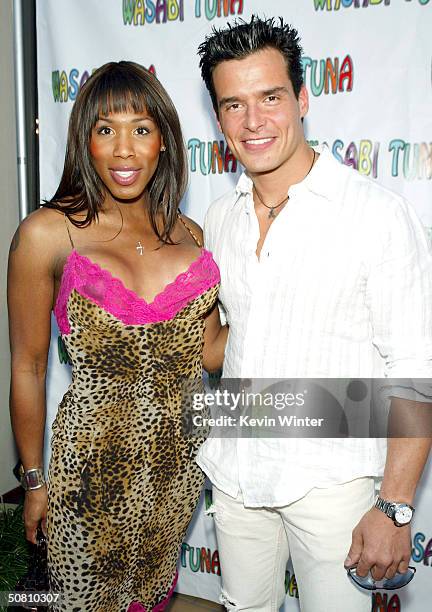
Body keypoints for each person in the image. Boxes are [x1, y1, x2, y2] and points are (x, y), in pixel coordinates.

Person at [196, 16, 432, 612]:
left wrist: (395, 506)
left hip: (333, 481)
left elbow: (415, 365)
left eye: (270, 97)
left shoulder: (375, 214)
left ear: (302, 99)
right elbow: (220, 345)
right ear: (218, 118)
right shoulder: (218, 220)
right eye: (233, 105)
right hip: (235, 468)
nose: (254, 121)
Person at [8, 60, 226, 612]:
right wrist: (34, 480)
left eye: (141, 129)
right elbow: (28, 367)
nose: (124, 150)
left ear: (164, 142)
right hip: (87, 477)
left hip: (176, 470)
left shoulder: (189, 234)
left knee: (150, 601)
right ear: (85, 140)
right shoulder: (46, 233)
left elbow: (211, 350)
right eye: (106, 130)